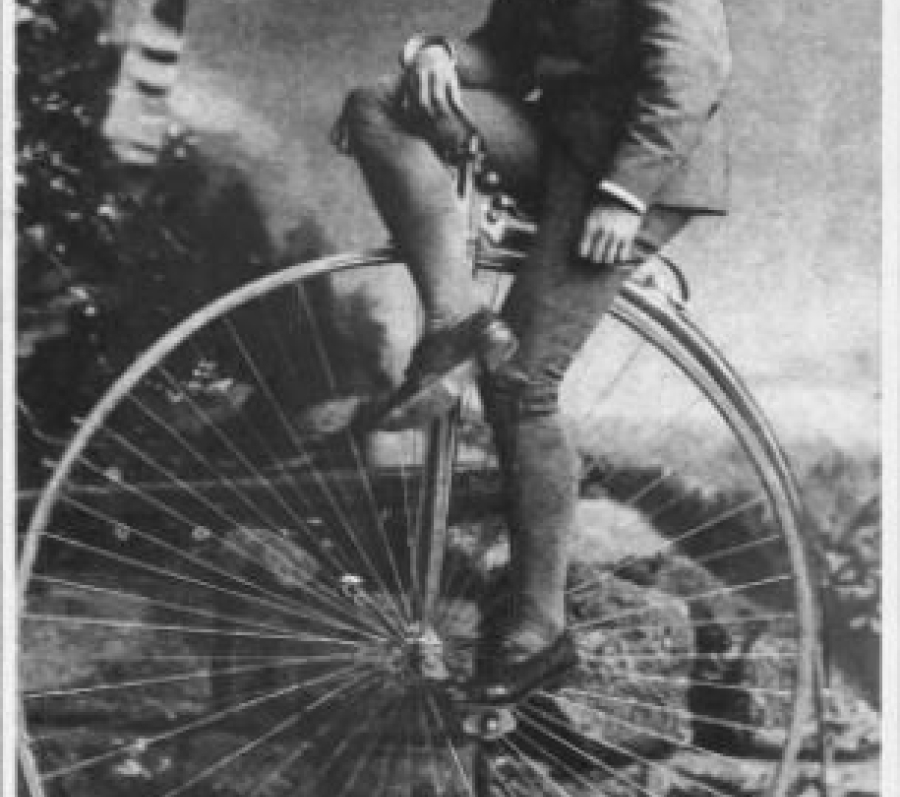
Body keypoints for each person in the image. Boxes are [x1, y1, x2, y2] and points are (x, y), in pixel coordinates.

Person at [324, 0, 732, 702]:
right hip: (563, 139)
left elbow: (695, 64)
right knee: (379, 107)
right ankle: (456, 318)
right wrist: (444, 56)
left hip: (642, 163)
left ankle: (541, 627)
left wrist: (626, 193)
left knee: (520, 380)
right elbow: (510, 50)